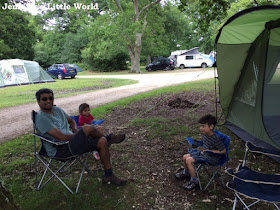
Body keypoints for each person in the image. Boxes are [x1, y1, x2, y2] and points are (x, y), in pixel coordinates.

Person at [35, 88, 127, 186]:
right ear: (38, 101)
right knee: (87, 128)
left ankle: (109, 175)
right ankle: (110, 138)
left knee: (102, 141)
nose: (48, 101)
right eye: (44, 99)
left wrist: (75, 129)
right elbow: (61, 137)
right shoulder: (41, 118)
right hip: (61, 149)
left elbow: (71, 121)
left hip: (72, 142)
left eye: (50, 98)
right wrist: (78, 135)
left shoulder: (57, 110)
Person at [175, 114, 226, 190]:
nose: (200, 128)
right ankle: (186, 173)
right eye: (200, 126)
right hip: (205, 154)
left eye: (203, 126)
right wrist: (197, 143)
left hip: (212, 158)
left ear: (211, 127)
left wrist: (211, 151)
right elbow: (205, 143)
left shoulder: (216, 139)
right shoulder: (206, 134)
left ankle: (194, 181)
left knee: (189, 160)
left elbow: (223, 151)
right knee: (185, 156)